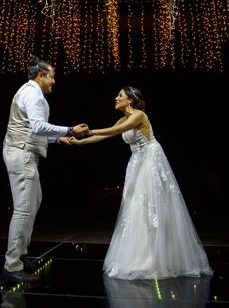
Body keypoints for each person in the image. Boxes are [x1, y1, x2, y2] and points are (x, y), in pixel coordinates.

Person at [69, 87, 212, 280]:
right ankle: (140, 255)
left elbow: (118, 130)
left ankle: (157, 257)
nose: (116, 98)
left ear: (130, 99)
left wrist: (88, 131)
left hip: (150, 160)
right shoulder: (123, 118)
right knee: (134, 206)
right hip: (137, 161)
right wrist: (80, 142)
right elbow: (107, 134)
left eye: (120, 95)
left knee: (150, 205)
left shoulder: (139, 115)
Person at [1, 55, 88, 283]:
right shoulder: (33, 93)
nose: (54, 82)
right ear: (41, 75)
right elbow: (38, 126)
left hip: (23, 150)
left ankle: (21, 255)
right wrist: (69, 130)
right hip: (22, 153)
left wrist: (57, 141)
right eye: (52, 77)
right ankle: (12, 266)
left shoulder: (29, 91)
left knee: (33, 202)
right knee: (23, 209)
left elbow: (32, 129)